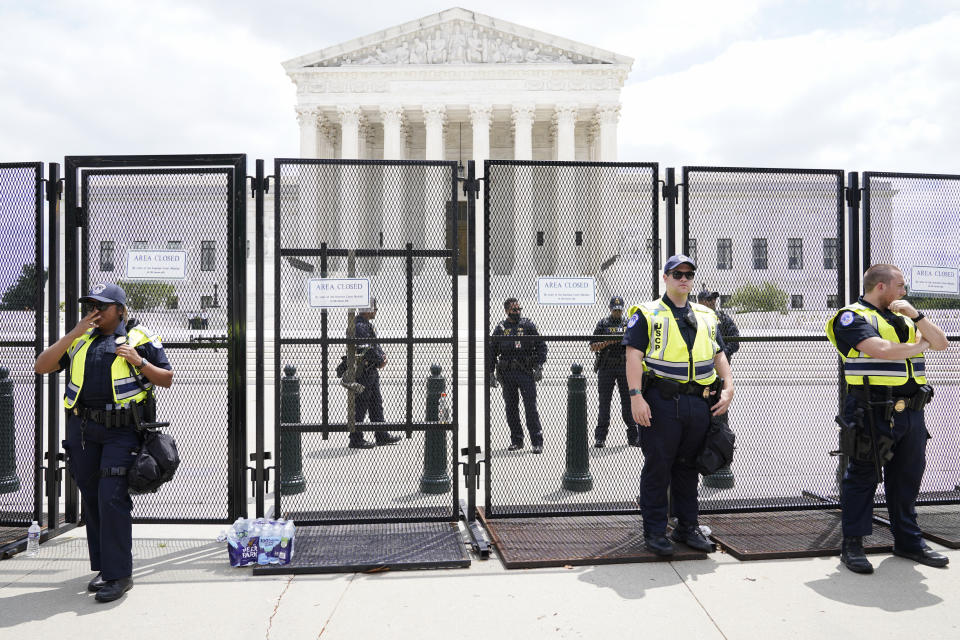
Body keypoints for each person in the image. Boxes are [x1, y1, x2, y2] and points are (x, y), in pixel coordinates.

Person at [34, 283, 174, 602]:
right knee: (93, 498)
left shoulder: (140, 337)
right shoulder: (81, 340)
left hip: (121, 432)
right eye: (91, 306)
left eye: (103, 307)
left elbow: (166, 378)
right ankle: (104, 568)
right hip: (83, 431)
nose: (95, 312)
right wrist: (74, 331)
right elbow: (42, 366)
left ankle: (119, 575)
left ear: (121, 310)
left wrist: (139, 361)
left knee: (112, 497)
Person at [826, 264, 950, 574]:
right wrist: (921, 345)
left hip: (912, 410)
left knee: (908, 476)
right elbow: (879, 349)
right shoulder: (851, 316)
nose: (905, 292)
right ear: (881, 287)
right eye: (901, 286)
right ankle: (852, 545)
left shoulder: (906, 317)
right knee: (863, 476)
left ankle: (908, 542)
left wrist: (917, 316)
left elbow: (942, 342)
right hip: (871, 409)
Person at [624, 255, 734, 556]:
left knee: (688, 469)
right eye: (677, 273)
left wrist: (729, 386)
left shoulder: (706, 315)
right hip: (661, 402)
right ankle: (656, 531)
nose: (683, 278)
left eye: (688, 273)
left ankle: (687, 527)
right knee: (659, 467)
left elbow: (718, 354)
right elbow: (633, 355)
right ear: (666, 278)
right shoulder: (647, 313)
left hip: (699, 403)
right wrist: (636, 396)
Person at [490, 298, 547, 453]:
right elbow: (491, 351)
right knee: (511, 409)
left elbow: (541, 346)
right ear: (506, 311)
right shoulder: (501, 328)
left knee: (530, 408)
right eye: (514, 310)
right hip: (507, 374)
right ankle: (517, 440)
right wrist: (490, 373)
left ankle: (537, 442)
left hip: (525, 372)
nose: (517, 312)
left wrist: (540, 366)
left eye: (519, 309)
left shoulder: (527, 325)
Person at [697, 290, 740, 488]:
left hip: (720, 374)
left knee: (720, 413)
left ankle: (717, 455)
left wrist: (720, 356)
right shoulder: (694, 316)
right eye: (709, 299)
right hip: (701, 375)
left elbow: (735, 340)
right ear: (701, 301)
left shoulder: (722, 318)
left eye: (714, 299)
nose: (713, 302)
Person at [348, 297, 401, 449]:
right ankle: (356, 439)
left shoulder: (363, 325)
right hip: (364, 372)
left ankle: (381, 435)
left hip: (370, 371)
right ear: (368, 310)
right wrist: (380, 360)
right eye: (374, 308)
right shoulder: (359, 326)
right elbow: (366, 349)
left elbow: (374, 346)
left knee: (376, 404)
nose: (376, 311)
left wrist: (381, 357)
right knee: (361, 405)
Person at [590, 296, 639, 448]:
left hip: (625, 367)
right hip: (606, 367)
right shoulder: (603, 323)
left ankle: (633, 436)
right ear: (610, 309)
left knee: (628, 402)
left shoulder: (628, 323)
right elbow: (592, 346)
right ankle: (600, 437)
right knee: (604, 404)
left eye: (619, 309)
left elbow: (637, 344)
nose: (617, 312)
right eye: (615, 309)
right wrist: (609, 342)